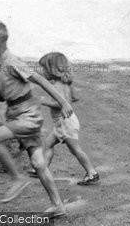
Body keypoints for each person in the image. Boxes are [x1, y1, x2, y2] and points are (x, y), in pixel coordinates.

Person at [0, 19, 73, 218]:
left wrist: (63, 102)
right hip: (20, 115)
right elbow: (1, 96)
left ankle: (17, 178)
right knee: (39, 164)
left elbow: (39, 80)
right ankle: (58, 205)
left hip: (27, 116)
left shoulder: (12, 61)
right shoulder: (2, 64)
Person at [35, 52, 99, 186]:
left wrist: (43, 101)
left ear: (52, 70)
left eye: (44, 69)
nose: (42, 72)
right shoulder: (65, 84)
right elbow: (73, 98)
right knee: (47, 144)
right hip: (63, 123)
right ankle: (42, 169)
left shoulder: (56, 86)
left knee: (75, 149)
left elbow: (60, 104)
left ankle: (92, 172)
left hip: (65, 122)